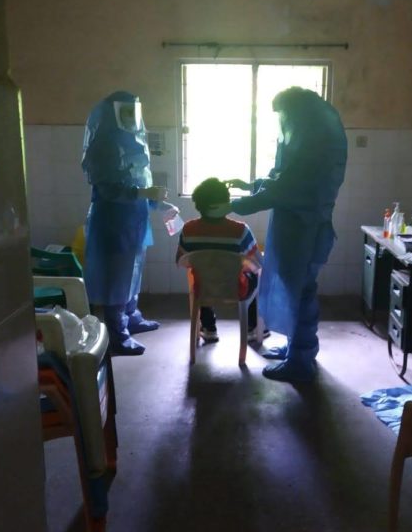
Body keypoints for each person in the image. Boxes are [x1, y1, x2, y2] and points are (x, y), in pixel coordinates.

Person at [209, 87, 347, 382]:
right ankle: (294, 349)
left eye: (282, 115)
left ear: (295, 113)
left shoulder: (314, 140)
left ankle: (301, 360)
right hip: (295, 228)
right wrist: (249, 185)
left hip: (306, 232)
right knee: (295, 290)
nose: (281, 123)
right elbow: (282, 177)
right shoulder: (308, 138)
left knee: (302, 294)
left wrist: (233, 205)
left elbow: (286, 188)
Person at [81, 91, 178, 355]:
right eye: (125, 112)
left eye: (133, 112)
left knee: (133, 271)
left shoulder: (136, 140)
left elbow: (140, 183)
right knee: (117, 278)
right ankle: (117, 334)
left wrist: (157, 203)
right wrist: (144, 195)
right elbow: (107, 189)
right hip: (112, 222)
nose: (131, 118)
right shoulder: (103, 145)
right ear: (111, 113)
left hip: (135, 220)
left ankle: (132, 318)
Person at [175, 177, 265, 343]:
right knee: (255, 276)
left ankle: (209, 328)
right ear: (226, 203)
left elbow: (180, 260)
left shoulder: (188, 229)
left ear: (198, 204)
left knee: (202, 274)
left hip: (204, 289)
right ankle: (252, 328)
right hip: (237, 289)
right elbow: (259, 263)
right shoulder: (241, 231)